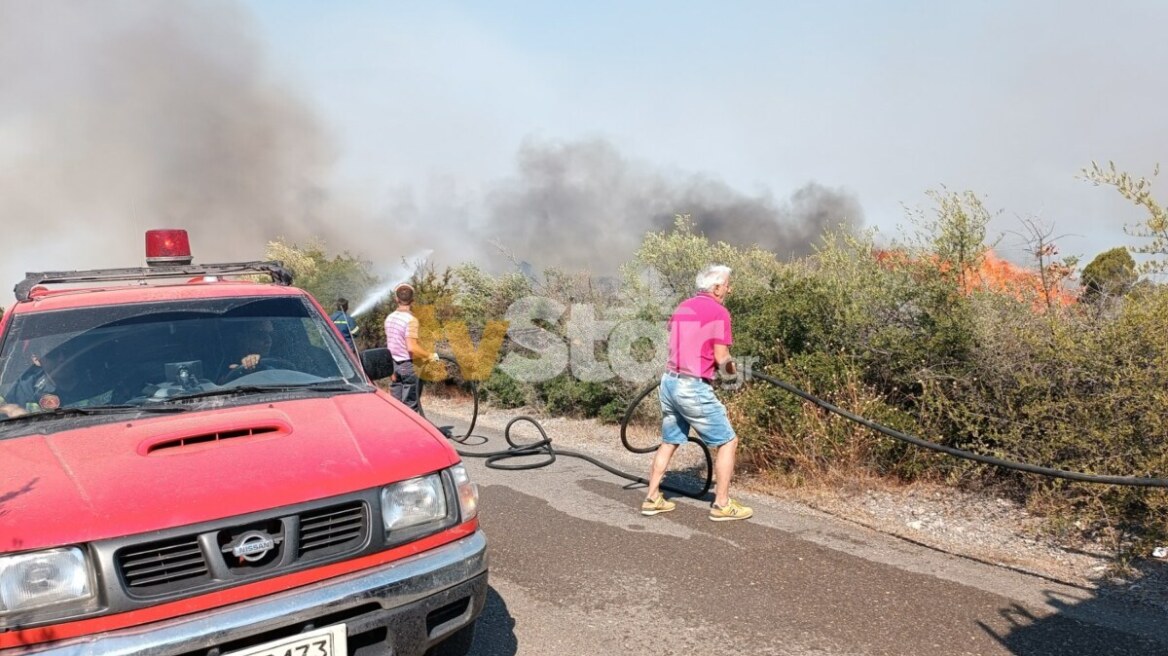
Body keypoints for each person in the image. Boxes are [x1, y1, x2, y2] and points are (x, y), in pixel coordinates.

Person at [640, 264, 753, 521]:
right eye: (726, 285)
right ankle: (722, 505)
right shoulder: (719, 312)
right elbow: (722, 357)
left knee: (669, 441)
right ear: (715, 287)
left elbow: (684, 343)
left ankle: (652, 497)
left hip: (669, 382)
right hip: (691, 386)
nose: (729, 289)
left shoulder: (683, 307)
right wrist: (734, 372)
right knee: (728, 441)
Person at [0, 346, 110, 417]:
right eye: (53, 353)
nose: (62, 359)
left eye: (66, 352)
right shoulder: (26, 389)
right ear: (36, 359)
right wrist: (8, 409)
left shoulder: (99, 379)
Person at [383, 283, 439, 415]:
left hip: (393, 365)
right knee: (410, 408)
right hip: (407, 366)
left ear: (396, 299)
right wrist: (429, 356)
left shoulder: (389, 318)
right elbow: (411, 346)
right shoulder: (411, 320)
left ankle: (396, 432)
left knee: (395, 406)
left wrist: (390, 369)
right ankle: (409, 433)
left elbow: (390, 344)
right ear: (412, 301)